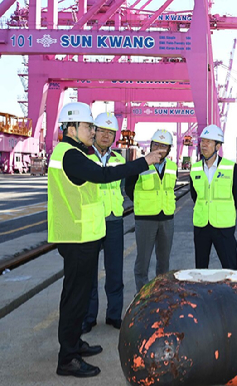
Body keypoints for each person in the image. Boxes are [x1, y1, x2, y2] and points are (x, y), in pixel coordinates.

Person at [48, 102, 164, 378]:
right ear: (72, 128)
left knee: (76, 293)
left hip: (83, 234)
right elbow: (103, 175)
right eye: (89, 127)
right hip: (76, 237)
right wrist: (143, 161)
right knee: (75, 298)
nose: (93, 131)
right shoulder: (70, 155)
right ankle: (68, 359)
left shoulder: (74, 153)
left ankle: (74, 343)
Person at [81, 112, 125, 334]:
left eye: (110, 132)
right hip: (91, 221)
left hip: (114, 220)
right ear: (94, 132)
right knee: (90, 272)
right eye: (102, 131)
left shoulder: (119, 159)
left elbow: (124, 188)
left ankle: (114, 315)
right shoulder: (84, 157)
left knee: (115, 271)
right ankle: (89, 317)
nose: (106, 136)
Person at [125, 129, 177, 292]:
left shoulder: (173, 167)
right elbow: (129, 188)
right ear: (150, 145)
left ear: (169, 149)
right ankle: (143, 295)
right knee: (143, 262)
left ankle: (161, 294)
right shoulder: (139, 165)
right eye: (156, 145)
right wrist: (143, 203)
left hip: (166, 219)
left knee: (164, 262)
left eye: (163, 145)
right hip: (145, 219)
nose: (159, 149)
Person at [189, 124, 237, 270]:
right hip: (201, 226)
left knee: (230, 269)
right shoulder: (194, 169)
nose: (203, 145)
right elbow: (195, 195)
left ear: (218, 146)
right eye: (202, 141)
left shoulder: (231, 168)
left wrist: (223, 210)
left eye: (208, 142)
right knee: (200, 270)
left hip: (223, 227)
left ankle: (232, 293)